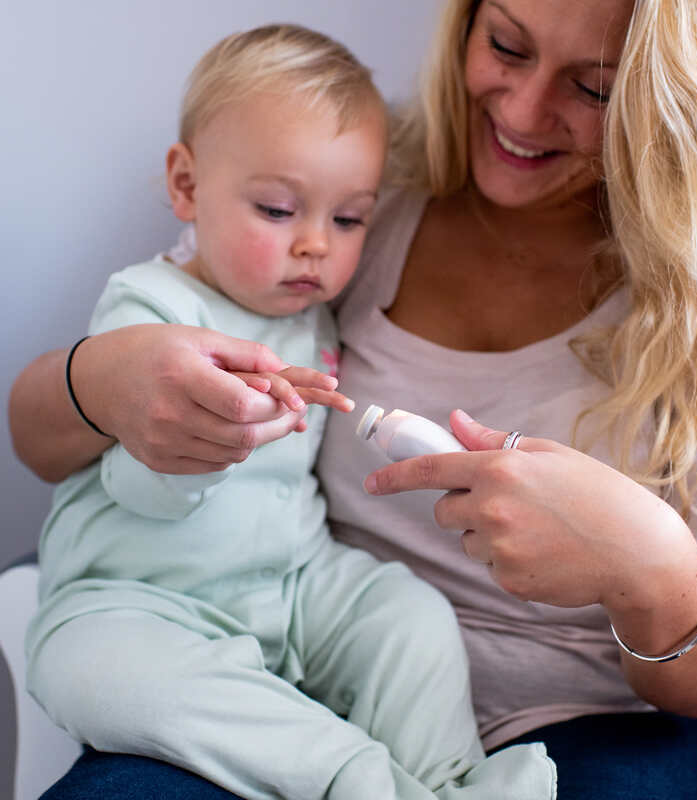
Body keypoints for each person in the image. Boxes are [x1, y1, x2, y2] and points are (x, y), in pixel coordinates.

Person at [9, 0, 697, 798]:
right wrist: (99, 382)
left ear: (677, 100)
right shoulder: (356, 186)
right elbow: (45, 436)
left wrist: (647, 564)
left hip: (588, 719)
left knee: (407, 616)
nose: (522, 112)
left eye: (593, 88)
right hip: (285, 682)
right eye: (505, 46)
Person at [20, 23, 556, 800]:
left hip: (295, 585)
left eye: (348, 220)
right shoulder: (150, 307)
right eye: (277, 209)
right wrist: (214, 431)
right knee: (100, 676)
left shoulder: (310, 316)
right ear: (187, 186)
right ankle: (366, 782)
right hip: (141, 601)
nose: (316, 247)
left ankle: (451, 779)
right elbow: (140, 489)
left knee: (407, 616)